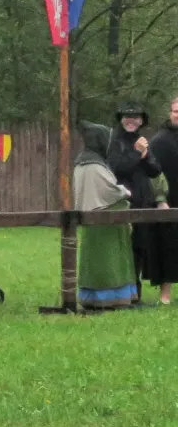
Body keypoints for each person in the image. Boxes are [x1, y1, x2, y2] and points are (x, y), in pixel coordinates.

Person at [74, 122, 139, 310]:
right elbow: (108, 190)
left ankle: (101, 297)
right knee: (107, 262)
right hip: (104, 222)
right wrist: (123, 192)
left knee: (104, 260)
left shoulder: (84, 162)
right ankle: (108, 298)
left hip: (100, 222)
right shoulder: (92, 165)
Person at [107, 101, 166, 301]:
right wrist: (136, 153)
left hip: (143, 203)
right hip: (123, 202)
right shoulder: (115, 141)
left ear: (141, 121)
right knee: (125, 248)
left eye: (135, 117)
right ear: (121, 119)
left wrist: (145, 154)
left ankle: (135, 294)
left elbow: (155, 170)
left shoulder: (142, 140)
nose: (131, 120)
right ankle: (123, 293)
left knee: (140, 248)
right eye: (127, 117)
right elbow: (118, 169)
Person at [144, 96, 178, 304]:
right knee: (168, 248)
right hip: (169, 201)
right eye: (176, 111)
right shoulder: (160, 141)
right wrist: (160, 199)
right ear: (170, 113)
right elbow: (153, 174)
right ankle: (165, 296)